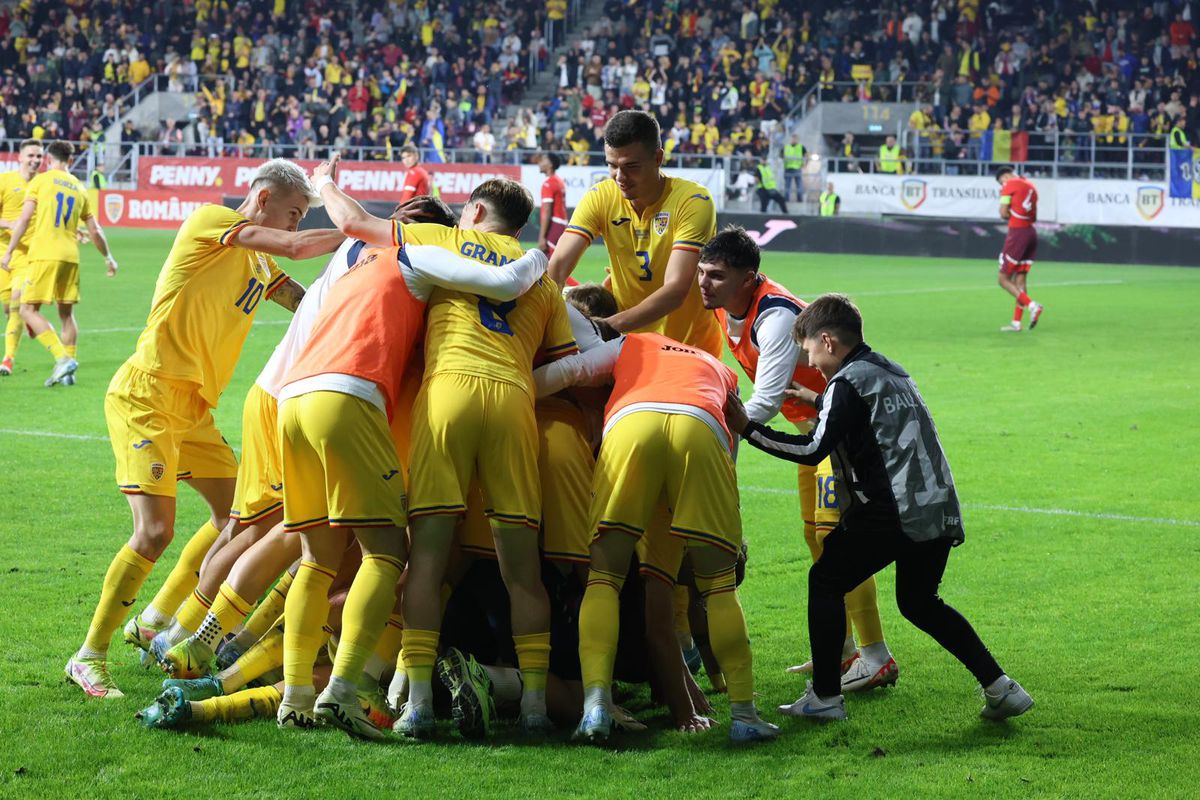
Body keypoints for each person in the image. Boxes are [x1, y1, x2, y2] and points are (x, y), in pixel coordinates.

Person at [271, 161, 552, 739]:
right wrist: (539, 258)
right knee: (390, 555)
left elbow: (349, 231)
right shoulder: (438, 248)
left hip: (291, 393)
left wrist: (324, 181)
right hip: (363, 392)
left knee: (316, 559)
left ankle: (299, 694)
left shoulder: (352, 262)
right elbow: (511, 293)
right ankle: (344, 691)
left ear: (473, 211)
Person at [65, 159, 342, 699]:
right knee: (155, 531)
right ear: (262, 200)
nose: (293, 225)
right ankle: (88, 656)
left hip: (193, 409)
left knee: (235, 518)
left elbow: (303, 302)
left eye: (299, 217)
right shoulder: (211, 222)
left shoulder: (259, 262)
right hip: (146, 394)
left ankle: (153, 621)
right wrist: (360, 226)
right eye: (292, 214)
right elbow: (294, 247)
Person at [724, 293, 1034, 722]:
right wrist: (818, 401)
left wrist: (748, 429)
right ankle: (1003, 688)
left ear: (828, 341)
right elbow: (873, 418)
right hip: (936, 504)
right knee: (920, 602)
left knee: (827, 579)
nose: (810, 363)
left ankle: (826, 698)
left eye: (810, 350)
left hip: (894, 511)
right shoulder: (890, 370)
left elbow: (814, 448)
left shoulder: (846, 383)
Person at [532, 324, 778, 743]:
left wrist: (516, 390)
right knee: (718, 587)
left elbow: (572, 370)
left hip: (632, 424)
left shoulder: (632, 342)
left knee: (604, 578)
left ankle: (594, 708)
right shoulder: (720, 367)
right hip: (701, 427)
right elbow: (731, 442)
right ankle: (744, 714)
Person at [396, 177, 577, 738]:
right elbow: (568, 363)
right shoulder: (541, 277)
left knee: (425, 559)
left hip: (448, 390)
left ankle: (419, 704)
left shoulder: (443, 243)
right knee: (522, 570)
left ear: (473, 210)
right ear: (520, 226)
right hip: (512, 403)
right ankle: (533, 709)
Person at [696, 226, 896, 693]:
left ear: (750, 278)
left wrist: (719, 442)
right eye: (702, 273)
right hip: (815, 433)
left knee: (836, 542)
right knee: (818, 538)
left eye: (717, 276)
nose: (704, 283)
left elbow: (761, 404)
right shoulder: (733, 305)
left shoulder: (773, 320)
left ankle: (875, 656)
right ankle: (842, 651)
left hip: (837, 442)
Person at [549, 110, 722, 357]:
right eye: (612, 165)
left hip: (689, 350)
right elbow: (557, 267)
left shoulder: (692, 201)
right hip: (628, 349)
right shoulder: (601, 196)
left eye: (631, 166)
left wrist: (605, 327)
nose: (620, 177)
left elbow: (675, 290)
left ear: (658, 158)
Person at [0, 140, 118, 386]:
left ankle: (61, 358)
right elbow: (95, 230)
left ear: (47, 159)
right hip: (71, 257)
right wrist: (108, 258)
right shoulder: (79, 187)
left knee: (26, 310)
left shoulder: (40, 181)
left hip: (43, 253)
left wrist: (9, 251)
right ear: (71, 160)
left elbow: (23, 219)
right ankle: (69, 374)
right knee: (66, 315)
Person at [0, 139, 43, 376]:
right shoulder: (4, 181)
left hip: (30, 255)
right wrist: (9, 224)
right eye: (31, 156)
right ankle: (28, 320)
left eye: (39, 156)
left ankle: (7, 359)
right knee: (8, 309)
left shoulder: (43, 184)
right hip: (4, 254)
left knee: (16, 302)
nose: (35, 160)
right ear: (19, 157)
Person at [995, 166, 1043, 332]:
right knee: (1020, 279)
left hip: (1017, 234)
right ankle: (1016, 323)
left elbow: (1002, 212)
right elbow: (1034, 215)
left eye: (1001, 182)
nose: (1002, 185)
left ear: (1005, 176)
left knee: (1003, 279)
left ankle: (1032, 305)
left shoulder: (1009, 185)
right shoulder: (1031, 186)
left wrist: (1009, 213)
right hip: (1031, 232)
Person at [537, 152, 567, 255]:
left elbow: (547, 211)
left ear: (550, 164)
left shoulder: (548, 184)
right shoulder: (559, 181)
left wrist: (542, 237)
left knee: (550, 265)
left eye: (543, 159)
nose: (539, 162)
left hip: (554, 226)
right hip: (561, 224)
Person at [783, 134, 805, 202]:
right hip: (788, 168)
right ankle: (786, 199)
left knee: (799, 185)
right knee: (787, 185)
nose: (794, 140)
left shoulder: (801, 147)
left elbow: (807, 155)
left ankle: (799, 199)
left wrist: (805, 164)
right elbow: (781, 155)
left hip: (797, 169)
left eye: (796, 139)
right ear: (791, 139)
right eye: (793, 139)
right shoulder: (786, 147)